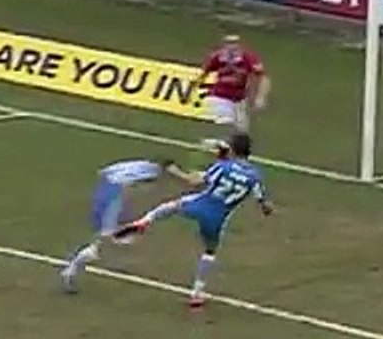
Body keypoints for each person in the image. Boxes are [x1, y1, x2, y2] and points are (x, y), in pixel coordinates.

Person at [113, 132, 274, 308]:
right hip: (218, 217)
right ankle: (196, 294)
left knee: (171, 206)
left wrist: (172, 169)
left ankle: (143, 222)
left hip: (202, 203)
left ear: (233, 149)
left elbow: (193, 181)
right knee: (210, 251)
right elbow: (265, 204)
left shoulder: (223, 167)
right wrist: (268, 209)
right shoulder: (255, 176)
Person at [59, 158, 169, 292]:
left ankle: (113, 249)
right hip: (112, 196)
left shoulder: (139, 164)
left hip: (104, 189)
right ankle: (70, 271)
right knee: (103, 242)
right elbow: (131, 189)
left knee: (120, 233)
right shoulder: (152, 173)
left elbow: (105, 172)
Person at [198, 34, 268, 133]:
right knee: (225, 124)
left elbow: (263, 77)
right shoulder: (217, 57)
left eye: (234, 43)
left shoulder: (248, 58)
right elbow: (202, 72)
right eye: (229, 43)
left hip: (239, 99)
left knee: (242, 132)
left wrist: (260, 97)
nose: (232, 47)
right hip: (220, 97)